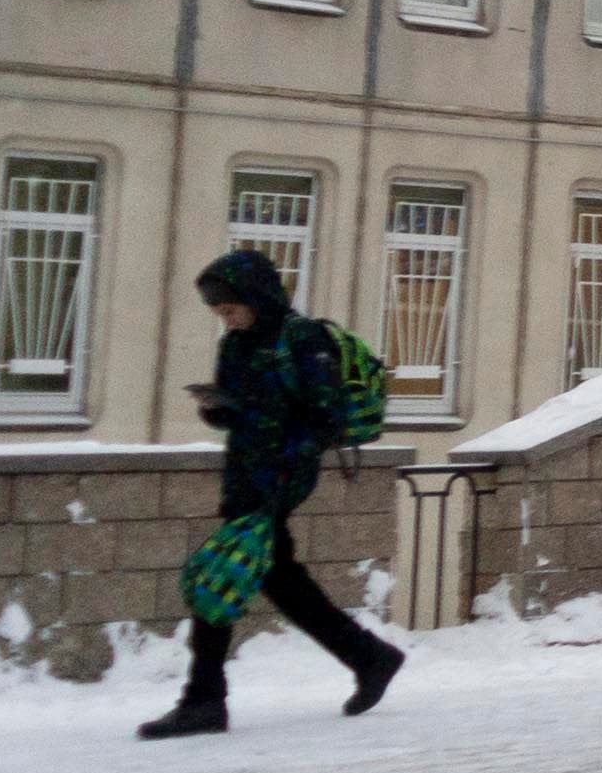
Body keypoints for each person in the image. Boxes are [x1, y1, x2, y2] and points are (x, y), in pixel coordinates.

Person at [134, 250, 406, 739]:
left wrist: (279, 455)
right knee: (282, 581)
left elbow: (323, 421)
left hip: (278, 479)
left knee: (218, 578)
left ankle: (203, 700)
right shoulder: (236, 346)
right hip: (244, 473)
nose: (227, 320)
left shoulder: (304, 341)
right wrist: (218, 409)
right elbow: (240, 411)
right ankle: (370, 657)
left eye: (231, 309)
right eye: (220, 314)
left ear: (257, 297)